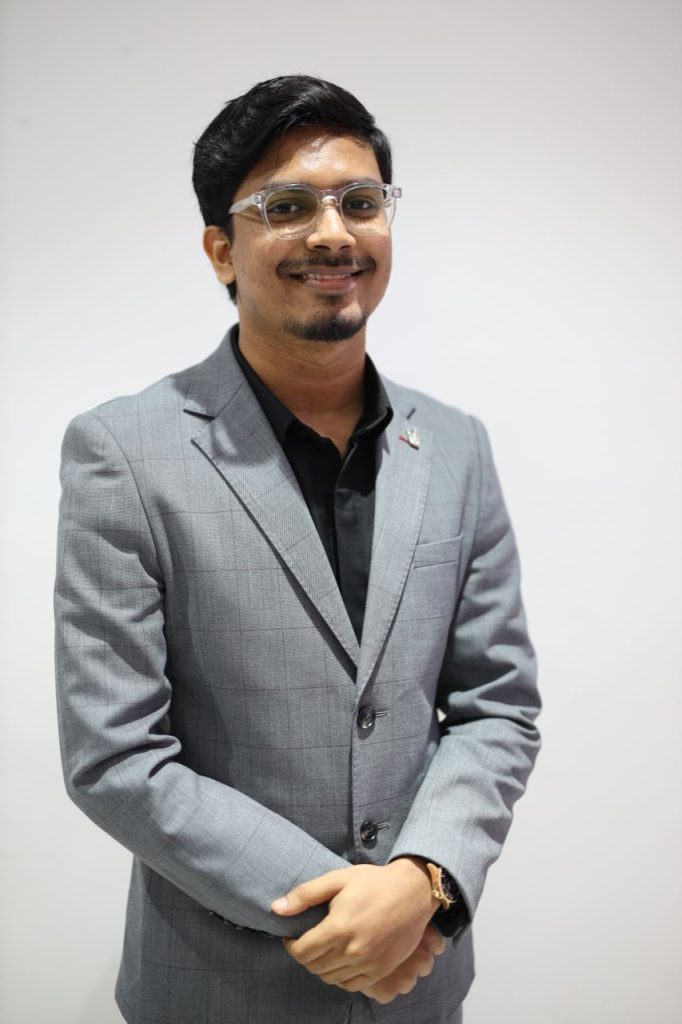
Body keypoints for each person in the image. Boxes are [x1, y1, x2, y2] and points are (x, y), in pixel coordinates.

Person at [54, 75, 541, 1024]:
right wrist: (353, 914)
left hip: (421, 986)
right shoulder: (123, 452)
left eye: (361, 202)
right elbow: (115, 757)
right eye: (287, 206)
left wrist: (425, 880)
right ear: (221, 250)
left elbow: (499, 704)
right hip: (219, 989)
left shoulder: (456, 446)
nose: (333, 234)